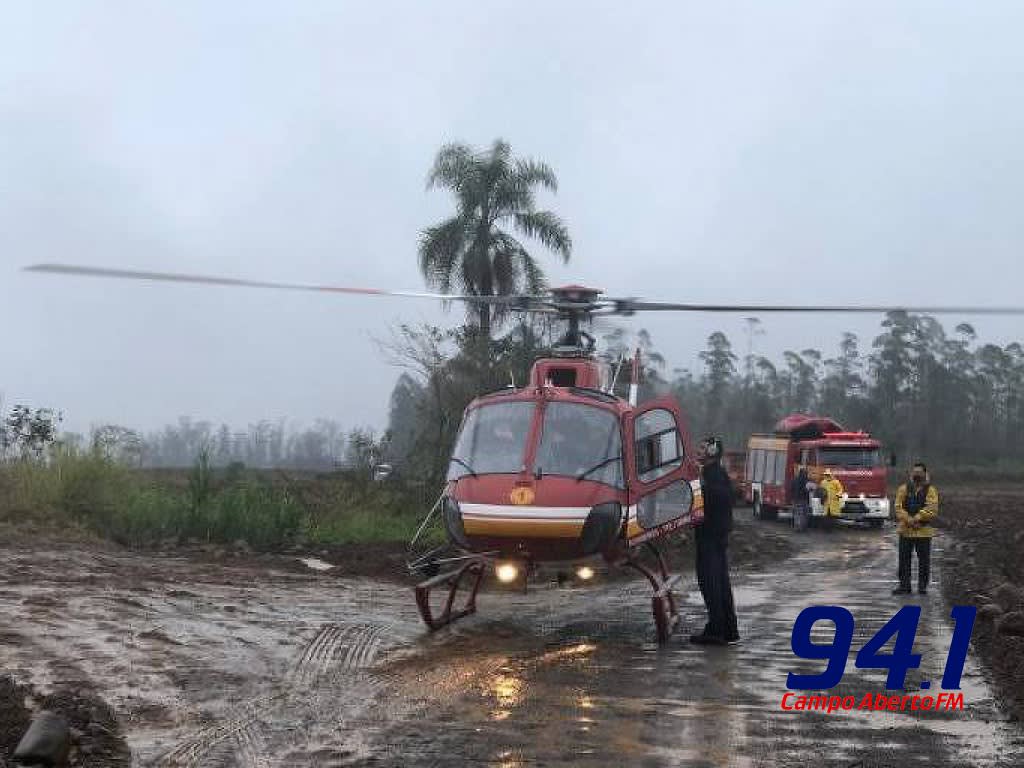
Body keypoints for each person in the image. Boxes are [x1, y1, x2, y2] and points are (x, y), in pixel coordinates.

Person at [691, 435, 740, 646]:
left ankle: (716, 630)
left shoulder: (713, 476)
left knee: (711, 583)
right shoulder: (715, 474)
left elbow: (718, 498)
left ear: (712, 452)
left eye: (702, 448)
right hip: (716, 534)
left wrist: (698, 485)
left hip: (710, 535)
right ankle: (728, 629)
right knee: (720, 582)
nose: (698, 451)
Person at [892, 462, 939, 595]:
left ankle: (922, 586)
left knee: (924, 561)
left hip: (923, 532)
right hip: (905, 531)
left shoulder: (931, 490)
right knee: (904, 560)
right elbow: (898, 507)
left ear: (925, 474)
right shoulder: (903, 489)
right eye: (915, 472)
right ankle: (904, 586)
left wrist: (917, 518)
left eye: (919, 472)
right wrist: (908, 520)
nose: (917, 474)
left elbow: (932, 509)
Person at [791, 464, 811, 530]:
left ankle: (797, 527)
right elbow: (808, 489)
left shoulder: (795, 479)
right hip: (803, 500)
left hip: (795, 499)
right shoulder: (806, 481)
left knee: (797, 514)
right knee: (804, 514)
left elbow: (791, 488)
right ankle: (802, 527)